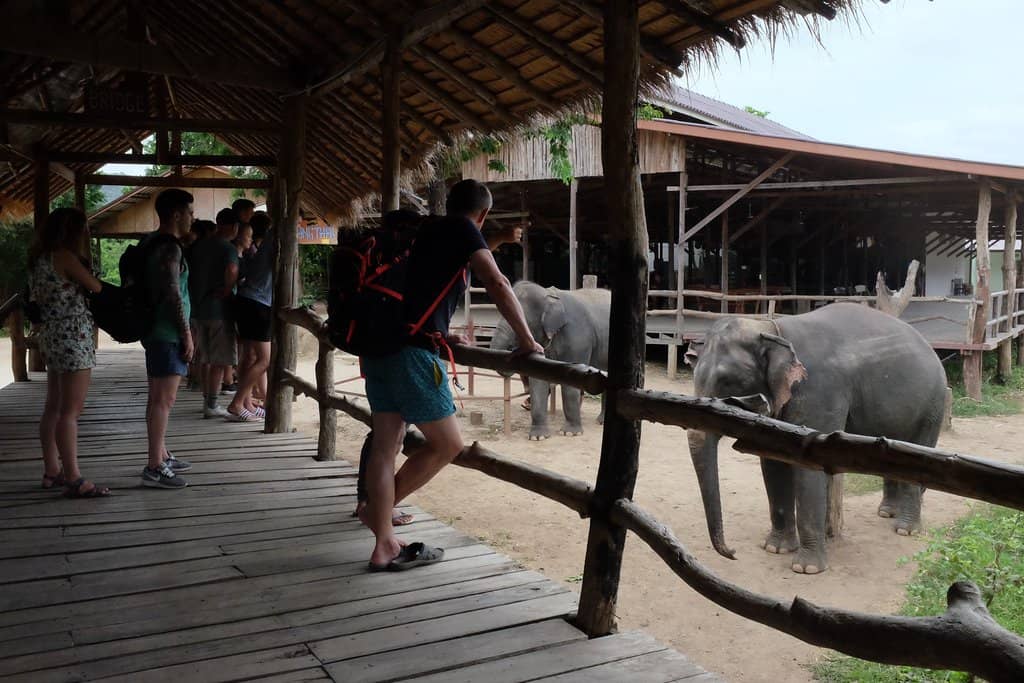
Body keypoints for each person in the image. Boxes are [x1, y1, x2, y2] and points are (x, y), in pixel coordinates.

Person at [360, 180, 543, 571]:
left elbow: (420, 286)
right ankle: (380, 516)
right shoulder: (463, 230)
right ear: (482, 214)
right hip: (412, 354)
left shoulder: (424, 230)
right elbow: (496, 281)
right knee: (448, 445)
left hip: (379, 346)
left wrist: (441, 329)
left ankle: (383, 541)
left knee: (385, 446)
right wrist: (528, 340)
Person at [27, 208, 109, 498]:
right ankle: (74, 477)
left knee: (54, 406)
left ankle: (52, 469)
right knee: (70, 411)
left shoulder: (40, 259)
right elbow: (95, 287)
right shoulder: (65, 257)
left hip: (52, 334)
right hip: (73, 335)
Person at [141, 189, 195, 489]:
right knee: (165, 399)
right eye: (189, 212)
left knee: (157, 397)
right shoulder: (170, 248)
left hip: (156, 330)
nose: (192, 218)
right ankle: (154, 465)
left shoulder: (151, 242)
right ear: (176, 214)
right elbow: (174, 291)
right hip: (167, 331)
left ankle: (160, 452)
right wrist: (186, 333)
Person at [189, 207, 240, 418]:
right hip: (219, 310)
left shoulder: (198, 246)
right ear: (234, 227)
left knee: (205, 358)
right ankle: (211, 404)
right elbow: (232, 270)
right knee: (220, 361)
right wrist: (229, 289)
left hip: (198, 309)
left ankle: (206, 401)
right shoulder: (227, 248)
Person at [227, 211, 274, 421]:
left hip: (245, 300)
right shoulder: (276, 240)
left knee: (249, 357)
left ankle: (246, 403)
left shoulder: (261, 247)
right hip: (258, 303)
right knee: (265, 359)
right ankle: (237, 402)